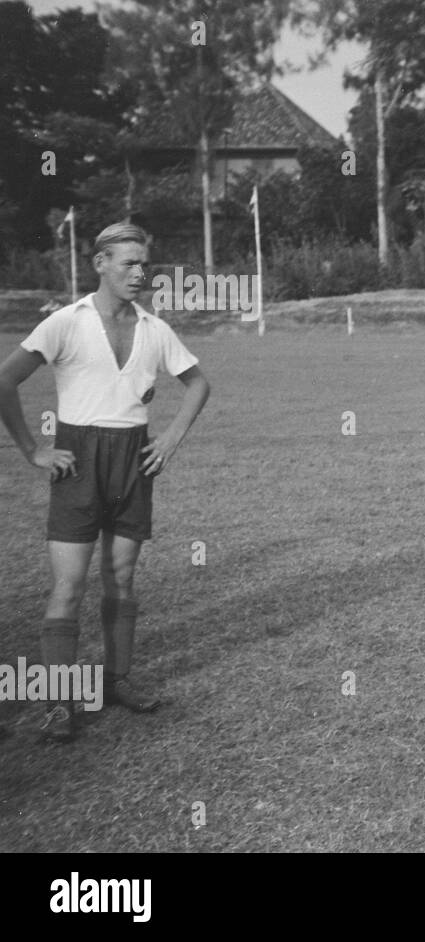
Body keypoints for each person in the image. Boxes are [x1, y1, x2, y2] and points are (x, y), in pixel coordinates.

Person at [0, 222, 210, 742]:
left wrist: (170, 439)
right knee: (68, 586)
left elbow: (199, 383)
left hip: (133, 460)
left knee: (122, 578)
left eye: (145, 264)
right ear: (100, 263)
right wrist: (33, 450)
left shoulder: (154, 328)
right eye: (128, 263)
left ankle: (117, 681)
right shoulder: (65, 323)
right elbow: (5, 378)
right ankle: (57, 703)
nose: (139, 273)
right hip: (78, 462)